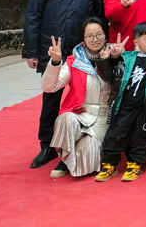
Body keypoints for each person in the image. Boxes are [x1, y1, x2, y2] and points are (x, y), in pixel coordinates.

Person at [23, 0, 105, 169]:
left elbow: (100, 17)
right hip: (53, 52)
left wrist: (101, 47)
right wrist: (31, 51)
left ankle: (83, 138)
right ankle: (47, 145)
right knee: (51, 99)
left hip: (83, 52)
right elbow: (33, 15)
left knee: (86, 97)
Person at [94, 22, 146, 182]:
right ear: (136, 42)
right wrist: (106, 60)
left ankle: (134, 164)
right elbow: (109, 77)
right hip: (123, 105)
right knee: (114, 134)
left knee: (140, 136)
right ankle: (109, 165)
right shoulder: (126, 58)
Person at [40, 18, 111, 178]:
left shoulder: (115, 57)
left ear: (105, 36)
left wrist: (112, 60)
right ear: (83, 39)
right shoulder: (75, 61)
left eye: (99, 34)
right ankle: (64, 160)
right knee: (65, 119)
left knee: (89, 149)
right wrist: (55, 62)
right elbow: (49, 87)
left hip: (104, 117)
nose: (95, 39)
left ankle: (72, 153)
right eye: (90, 36)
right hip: (81, 113)